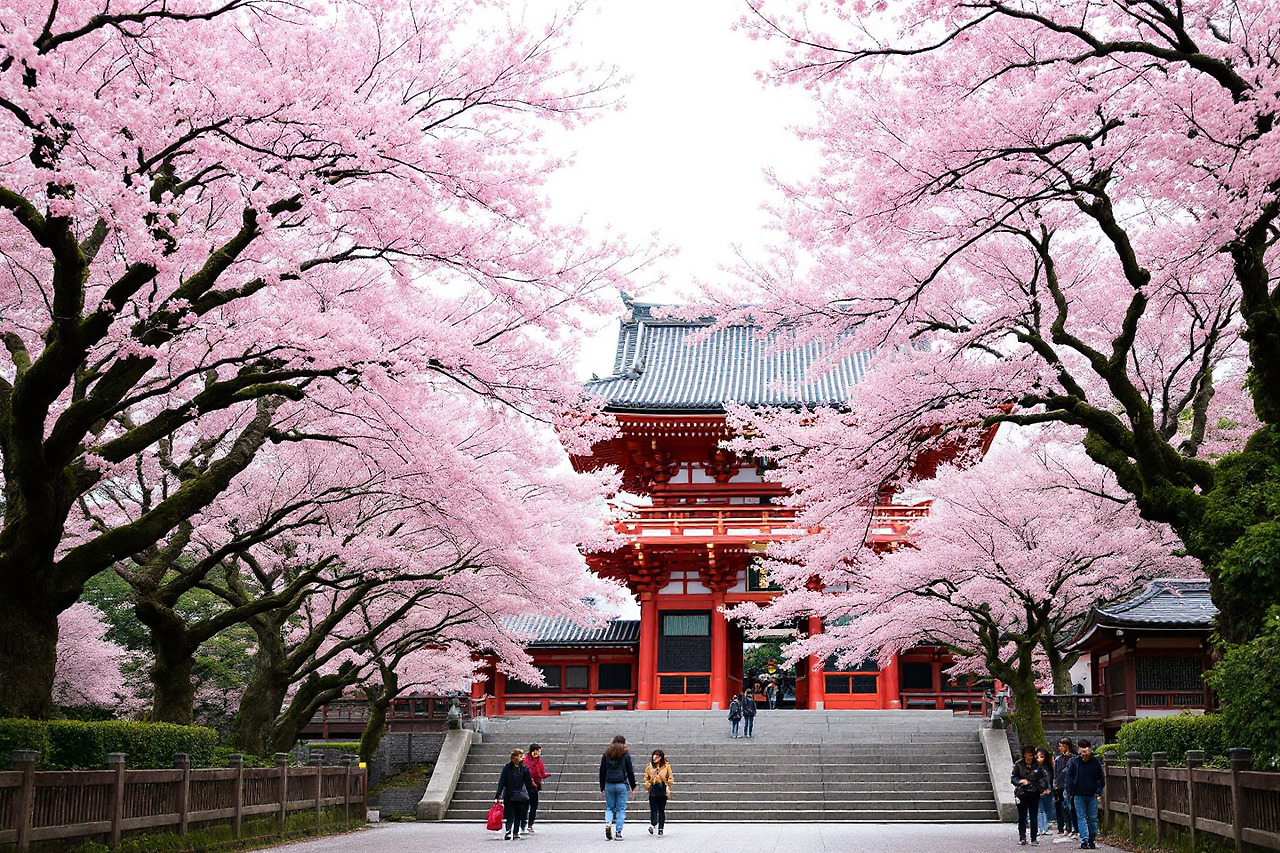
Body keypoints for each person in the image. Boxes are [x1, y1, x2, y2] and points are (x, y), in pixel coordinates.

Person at [1064, 739, 1106, 850]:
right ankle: (1084, 840)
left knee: (1092, 818)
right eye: (1082, 751)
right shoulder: (1074, 762)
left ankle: (1092, 838)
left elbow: (1101, 779)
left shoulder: (1095, 762)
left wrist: (1098, 791)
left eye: (1086, 751)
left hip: (1092, 795)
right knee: (1081, 817)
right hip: (1078, 795)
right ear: (1079, 750)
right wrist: (1070, 793)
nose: (1085, 754)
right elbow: (1069, 778)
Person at [598, 734, 637, 840]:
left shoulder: (606, 754)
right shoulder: (625, 755)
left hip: (609, 784)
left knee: (609, 808)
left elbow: (602, 771)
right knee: (621, 809)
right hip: (621, 784)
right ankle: (618, 833)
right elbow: (630, 771)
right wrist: (633, 786)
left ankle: (608, 823)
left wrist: (602, 787)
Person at [1012, 744, 1049, 845]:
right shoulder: (1019, 765)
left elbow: (1044, 777)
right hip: (1022, 793)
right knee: (1022, 816)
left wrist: (1043, 788)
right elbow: (1013, 777)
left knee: (1033, 815)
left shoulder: (1037, 765)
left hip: (1034, 792)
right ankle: (1022, 837)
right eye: (1027, 755)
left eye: (1031, 755)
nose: (1029, 758)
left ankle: (1034, 838)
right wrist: (1021, 781)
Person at [495, 748, 534, 841]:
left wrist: (530, 795)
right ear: (514, 757)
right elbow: (502, 782)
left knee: (517, 815)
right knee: (510, 814)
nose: (522, 758)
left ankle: (515, 832)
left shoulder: (524, 769)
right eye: (520, 756)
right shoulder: (509, 768)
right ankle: (509, 831)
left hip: (520, 795)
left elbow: (528, 784)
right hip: (510, 794)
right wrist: (498, 794)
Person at [644, 749, 674, 836]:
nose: (656, 758)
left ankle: (661, 828)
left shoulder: (666, 766)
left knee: (661, 809)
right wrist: (649, 784)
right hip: (653, 789)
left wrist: (667, 784)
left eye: (658, 756)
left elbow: (670, 778)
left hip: (662, 789)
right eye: (655, 756)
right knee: (653, 808)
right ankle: (653, 824)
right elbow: (646, 778)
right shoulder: (649, 766)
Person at [522, 743, 549, 835]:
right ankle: (523, 823)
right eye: (538, 751)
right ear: (534, 751)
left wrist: (545, 775)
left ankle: (530, 824)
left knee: (534, 805)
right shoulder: (526, 759)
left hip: (535, 785)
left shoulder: (539, 760)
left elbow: (541, 772)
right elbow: (526, 771)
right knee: (525, 805)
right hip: (526, 785)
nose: (539, 753)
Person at [1054, 738, 1078, 839]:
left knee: (1071, 807)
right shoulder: (1058, 759)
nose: (1060, 748)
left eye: (1062, 746)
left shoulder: (1073, 759)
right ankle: (1067, 826)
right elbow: (1057, 772)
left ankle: (1074, 828)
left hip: (1069, 785)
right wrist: (1055, 782)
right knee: (1064, 807)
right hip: (1060, 785)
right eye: (1059, 745)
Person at [1035, 747, 1055, 837]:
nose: (1039, 759)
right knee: (1040, 810)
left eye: (1041, 757)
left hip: (1048, 790)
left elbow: (1050, 779)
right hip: (1037, 790)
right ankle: (1041, 828)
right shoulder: (1033, 767)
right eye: (1037, 757)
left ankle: (1045, 827)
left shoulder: (1048, 768)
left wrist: (1049, 789)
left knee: (1047, 809)